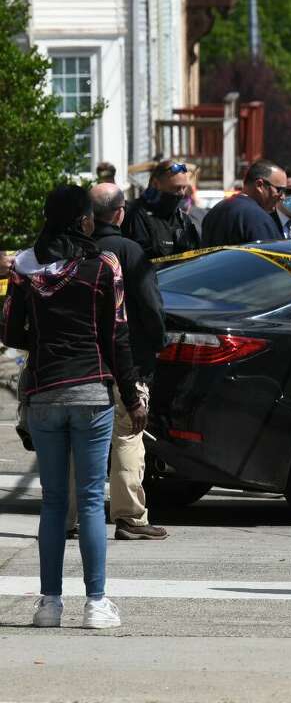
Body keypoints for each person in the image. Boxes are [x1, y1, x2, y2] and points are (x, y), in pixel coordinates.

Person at [2, 185, 145, 629]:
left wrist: (44, 343)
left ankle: (49, 604)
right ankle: (96, 604)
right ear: (84, 219)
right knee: (89, 500)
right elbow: (116, 336)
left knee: (52, 502)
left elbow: (10, 331)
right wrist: (133, 394)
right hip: (91, 393)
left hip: (44, 392)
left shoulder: (26, 265)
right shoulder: (103, 266)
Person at [70, 184, 168, 541]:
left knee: (74, 443)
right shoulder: (129, 251)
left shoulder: (70, 250)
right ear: (120, 213)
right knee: (128, 436)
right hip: (126, 364)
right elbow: (151, 307)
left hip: (77, 365)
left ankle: (66, 518)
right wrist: (157, 343)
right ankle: (130, 518)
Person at [123, 160, 202, 260]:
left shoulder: (183, 219)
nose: (181, 193)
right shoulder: (134, 214)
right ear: (156, 184)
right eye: (176, 188)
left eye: (184, 188)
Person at [201, 160, 288, 247]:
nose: (282, 197)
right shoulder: (257, 218)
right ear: (259, 185)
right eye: (279, 190)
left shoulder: (214, 212)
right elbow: (269, 257)